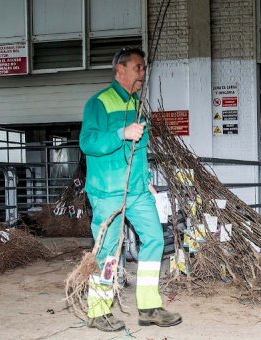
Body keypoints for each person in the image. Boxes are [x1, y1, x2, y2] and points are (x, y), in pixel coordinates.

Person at [79, 47, 182, 332]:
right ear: (120, 70)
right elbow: (87, 143)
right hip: (107, 192)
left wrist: (146, 178)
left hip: (136, 190)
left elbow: (139, 150)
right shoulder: (98, 103)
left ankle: (149, 307)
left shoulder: (137, 103)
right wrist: (120, 134)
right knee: (108, 252)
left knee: (155, 239)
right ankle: (98, 311)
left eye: (143, 67)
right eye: (137, 67)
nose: (142, 72)